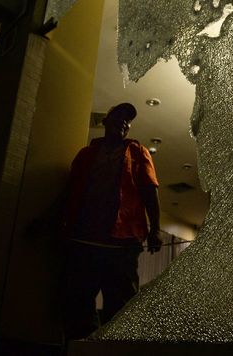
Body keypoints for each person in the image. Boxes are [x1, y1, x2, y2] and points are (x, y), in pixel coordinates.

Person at [60, 102, 162, 341]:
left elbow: (150, 191)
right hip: (85, 241)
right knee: (78, 303)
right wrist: (50, 220)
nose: (124, 123)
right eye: (119, 117)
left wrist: (155, 228)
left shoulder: (137, 152)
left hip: (122, 245)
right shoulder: (86, 154)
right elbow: (70, 191)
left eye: (128, 121)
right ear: (105, 121)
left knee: (121, 307)